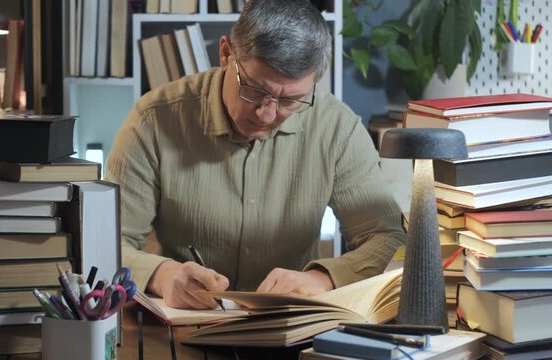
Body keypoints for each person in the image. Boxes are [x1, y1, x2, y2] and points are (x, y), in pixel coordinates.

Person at [105, 0, 406, 310]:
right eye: (253, 89)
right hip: (177, 326)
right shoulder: (153, 120)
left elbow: (388, 236)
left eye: (290, 101)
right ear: (225, 54)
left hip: (289, 329)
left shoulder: (337, 128)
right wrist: (164, 276)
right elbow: (108, 244)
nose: (266, 114)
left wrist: (324, 278)